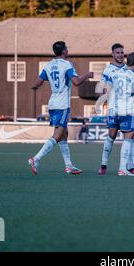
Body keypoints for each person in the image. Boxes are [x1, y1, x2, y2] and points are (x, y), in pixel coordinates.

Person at [28, 41, 93, 175]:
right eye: (67, 48)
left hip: (53, 103)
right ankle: (36, 158)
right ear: (64, 51)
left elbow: (37, 83)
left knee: (64, 134)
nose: (68, 50)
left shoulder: (49, 65)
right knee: (57, 135)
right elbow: (76, 82)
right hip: (62, 104)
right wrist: (88, 75)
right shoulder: (66, 64)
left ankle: (69, 165)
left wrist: (34, 86)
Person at [96, 52, 134, 176]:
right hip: (127, 111)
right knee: (128, 138)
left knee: (130, 136)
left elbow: (105, 91)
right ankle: (122, 168)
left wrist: (99, 104)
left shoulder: (114, 73)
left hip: (113, 110)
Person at [96, 43, 126, 175]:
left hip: (127, 109)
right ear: (113, 54)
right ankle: (103, 164)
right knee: (111, 136)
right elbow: (102, 87)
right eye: (118, 52)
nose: (120, 55)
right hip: (113, 108)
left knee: (130, 138)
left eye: (122, 52)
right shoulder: (108, 69)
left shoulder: (128, 68)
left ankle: (127, 166)